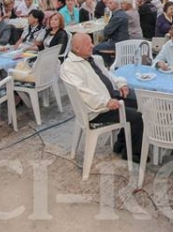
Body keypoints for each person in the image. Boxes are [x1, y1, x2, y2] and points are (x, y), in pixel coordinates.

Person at [60, 32, 143, 161]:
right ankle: (132, 154)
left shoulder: (91, 58)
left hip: (109, 96)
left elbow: (108, 75)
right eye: (88, 44)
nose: (92, 46)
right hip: (97, 109)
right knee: (137, 116)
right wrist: (106, 102)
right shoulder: (70, 67)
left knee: (140, 103)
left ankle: (120, 143)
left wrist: (121, 84)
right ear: (77, 49)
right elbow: (82, 92)